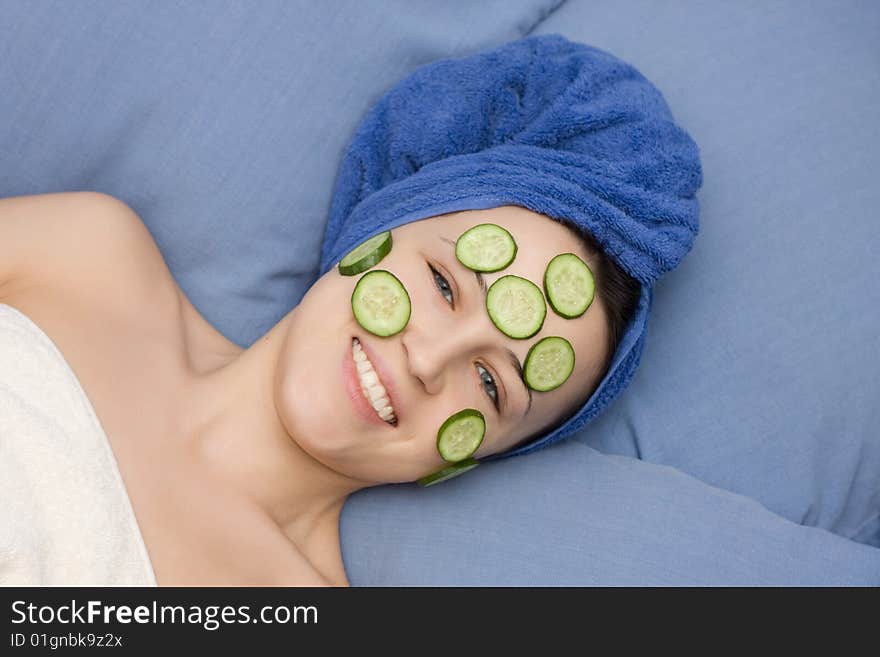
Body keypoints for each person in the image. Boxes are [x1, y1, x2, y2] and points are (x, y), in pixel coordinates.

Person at [0, 34, 701, 585]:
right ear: (374, 227)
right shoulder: (87, 258)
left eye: (491, 385)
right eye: (444, 283)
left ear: (475, 459)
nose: (428, 360)